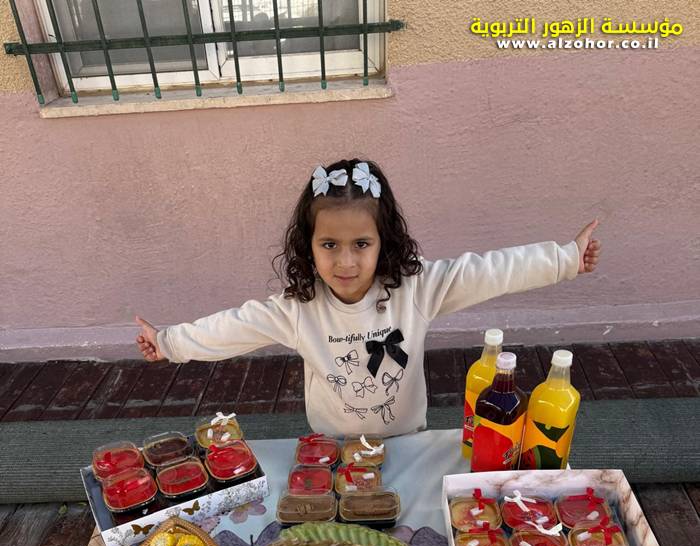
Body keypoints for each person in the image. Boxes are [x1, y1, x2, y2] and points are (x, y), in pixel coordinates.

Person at [136, 158, 601, 437]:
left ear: (384, 241)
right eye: (329, 245)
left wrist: (564, 259)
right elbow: (234, 326)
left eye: (361, 244)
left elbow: (488, 271)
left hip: (407, 442)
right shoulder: (299, 309)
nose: (346, 262)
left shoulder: (417, 288)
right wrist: (169, 342)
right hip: (332, 450)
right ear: (308, 246)